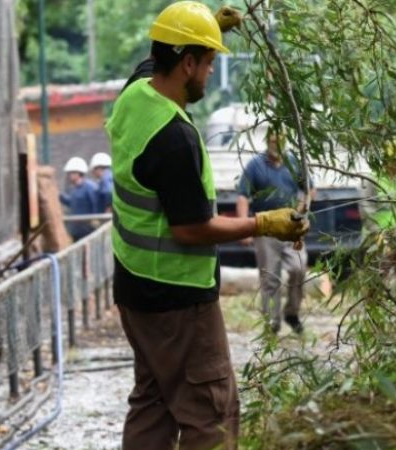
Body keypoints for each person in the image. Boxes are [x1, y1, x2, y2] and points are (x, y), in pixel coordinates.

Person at [105, 3, 308, 450]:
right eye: (208, 61)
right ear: (187, 63)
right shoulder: (174, 139)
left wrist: (207, 29)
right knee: (210, 412)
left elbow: (155, 61)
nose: (212, 71)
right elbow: (192, 229)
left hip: (134, 288)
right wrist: (263, 223)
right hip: (177, 300)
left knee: (153, 402)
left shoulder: (135, 93)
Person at [236, 129, 312, 334]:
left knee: (299, 268)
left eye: (279, 140)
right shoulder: (255, 165)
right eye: (271, 140)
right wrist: (244, 229)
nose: (275, 144)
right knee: (270, 278)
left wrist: (302, 207)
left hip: (291, 227)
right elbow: (243, 196)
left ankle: (292, 313)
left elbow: (309, 189)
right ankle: (272, 323)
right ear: (267, 141)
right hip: (266, 230)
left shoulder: (294, 163)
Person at [59, 156, 100, 241]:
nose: (69, 176)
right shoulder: (74, 189)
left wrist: (95, 220)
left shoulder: (89, 187)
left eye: (72, 173)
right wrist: (59, 196)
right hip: (76, 230)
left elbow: (96, 203)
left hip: (88, 229)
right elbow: (71, 203)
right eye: (69, 173)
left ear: (79, 173)